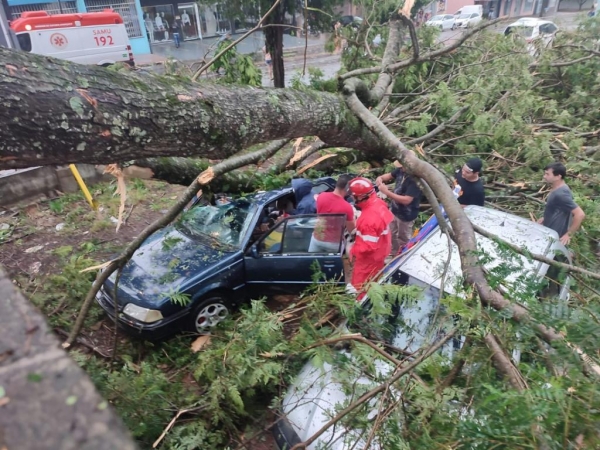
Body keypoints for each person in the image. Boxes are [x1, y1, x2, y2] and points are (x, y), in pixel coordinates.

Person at [348, 177, 394, 292]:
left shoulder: (368, 220)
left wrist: (352, 250)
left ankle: (360, 303)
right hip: (381, 250)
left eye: (354, 196)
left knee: (361, 287)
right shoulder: (378, 203)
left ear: (360, 196)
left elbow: (368, 247)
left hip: (368, 260)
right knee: (373, 282)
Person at [376, 165, 422, 256]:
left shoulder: (415, 181)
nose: (400, 168)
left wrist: (386, 192)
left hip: (406, 215)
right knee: (391, 232)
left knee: (403, 237)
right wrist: (380, 178)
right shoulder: (401, 170)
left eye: (402, 166)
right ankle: (392, 252)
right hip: (394, 210)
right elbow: (389, 175)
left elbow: (407, 200)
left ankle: (404, 256)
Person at [537, 162, 585, 246]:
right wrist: (546, 218)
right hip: (549, 231)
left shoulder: (561, 194)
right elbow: (560, 208)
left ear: (558, 176)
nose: (544, 176)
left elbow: (580, 214)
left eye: (547, 174)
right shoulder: (557, 188)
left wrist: (568, 235)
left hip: (556, 237)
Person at [309, 175, 356, 253]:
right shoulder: (347, 207)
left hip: (317, 239)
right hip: (334, 244)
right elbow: (352, 230)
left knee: (312, 263)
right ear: (348, 189)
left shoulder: (321, 196)